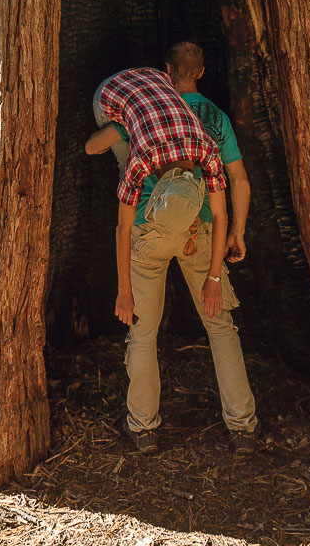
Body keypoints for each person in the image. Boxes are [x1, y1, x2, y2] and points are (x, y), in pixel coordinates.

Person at [86, 45, 258, 455]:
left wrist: (117, 124)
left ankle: (143, 428)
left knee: (142, 334)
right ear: (200, 71)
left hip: (148, 228)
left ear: (166, 73)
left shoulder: (148, 116)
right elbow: (237, 183)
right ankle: (243, 426)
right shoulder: (212, 123)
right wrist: (233, 242)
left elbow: (96, 153)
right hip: (200, 231)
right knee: (220, 328)